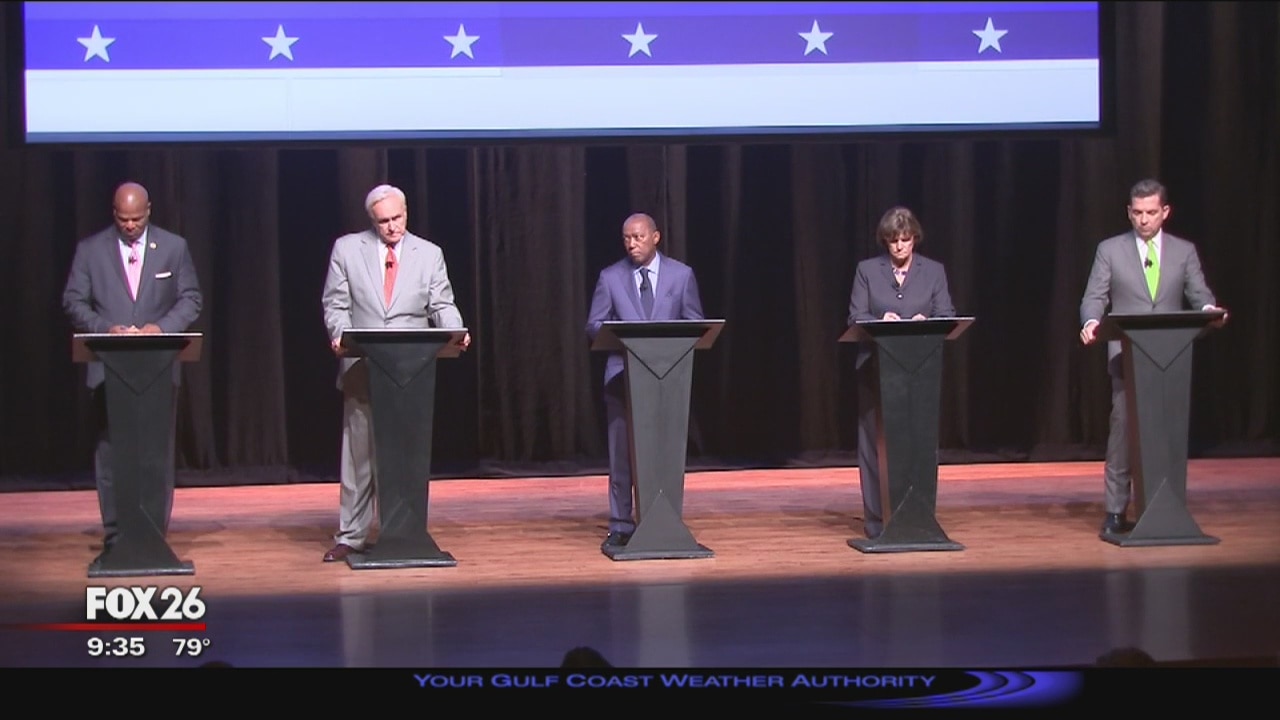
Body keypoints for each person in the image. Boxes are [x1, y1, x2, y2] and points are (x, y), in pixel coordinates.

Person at [320, 184, 470, 563]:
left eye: (397, 218)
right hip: (363, 367)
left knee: (407, 454)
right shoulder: (347, 250)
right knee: (359, 457)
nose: (391, 227)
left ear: (407, 212)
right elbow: (336, 303)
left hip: (411, 371)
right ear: (372, 221)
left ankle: (405, 530)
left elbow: (441, 303)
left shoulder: (429, 254)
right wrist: (339, 334)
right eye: (383, 221)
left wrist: (456, 330)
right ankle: (351, 536)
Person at [61, 181, 203, 560]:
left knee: (156, 455)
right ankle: (115, 534)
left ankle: (154, 532)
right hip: (110, 369)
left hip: (158, 368)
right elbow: (73, 301)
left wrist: (162, 328)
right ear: (114, 213)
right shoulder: (90, 251)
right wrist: (105, 329)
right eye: (123, 219)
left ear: (148, 211)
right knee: (111, 453)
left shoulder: (173, 248)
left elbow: (191, 299)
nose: (130, 225)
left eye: (136, 219)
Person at [1079, 178, 1227, 535]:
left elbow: (1200, 294)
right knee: (1123, 433)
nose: (1144, 220)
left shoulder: (1184, 251)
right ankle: (1116, 511)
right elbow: (1094, 296)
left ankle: (1167, 504)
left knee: (1168, 433)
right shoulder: (1110, 250)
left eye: (1151, 212)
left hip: (1170, 357)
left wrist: (1209, 310)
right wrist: (1091, 321)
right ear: (1129, 213)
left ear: (1165, 212)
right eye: (1138, 213)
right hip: (1127, 358)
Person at [585, 213, 704, 552]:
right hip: (622, 379)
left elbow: (695, 323)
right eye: (626, 238)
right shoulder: (610, 277)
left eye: (637, 237)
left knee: (664, 454)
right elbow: (594, 325)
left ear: (655, 237)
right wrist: (623, 335)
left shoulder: (682, 275)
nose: (631, 244)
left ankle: (663, 518)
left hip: (668, 380)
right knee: (622, 455)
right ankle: (621, 524)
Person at [847, 206, 955, 539]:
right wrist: (881, 321)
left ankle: (918, 514)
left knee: (919, 441)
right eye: (893, 241)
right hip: (876, 369)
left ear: (914, 239)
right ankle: (877, 520)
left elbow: (947, 313)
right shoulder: (867, 270)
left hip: (920, 370)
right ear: (885, 241)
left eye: (905, 240)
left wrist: (927, 321)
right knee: (874, 442)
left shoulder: (933, 271)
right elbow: (856, 316)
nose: (899, 247)